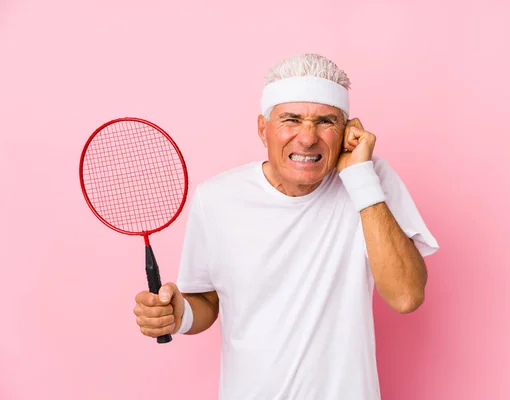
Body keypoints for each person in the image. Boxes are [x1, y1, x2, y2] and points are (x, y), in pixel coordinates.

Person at [133, 53, 439, 399]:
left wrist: (359, 176)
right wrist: (180, 315)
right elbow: (205, 298)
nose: (307, 138)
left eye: (326, 121)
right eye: (290, 120)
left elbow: (406, 296)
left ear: (347, 131)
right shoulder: (216, 198)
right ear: (263, 128)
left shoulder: (370, 178)